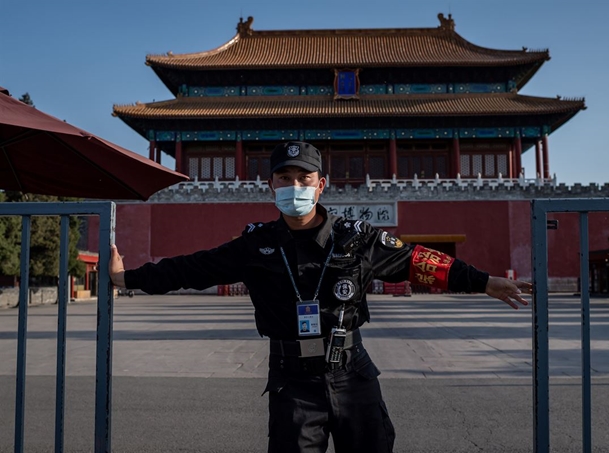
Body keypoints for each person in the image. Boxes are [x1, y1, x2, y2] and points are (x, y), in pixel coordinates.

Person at [109, 140, 532, 453]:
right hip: (292, 380)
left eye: (303, 178)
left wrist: (485, 281)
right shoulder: (255, 246)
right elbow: (191, 268)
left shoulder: (357, 239)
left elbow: (419, 261)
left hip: (353, 373)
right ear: (270, 184)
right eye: (284, 178)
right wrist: (127, 278)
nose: (294, 186)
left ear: (320, 185)